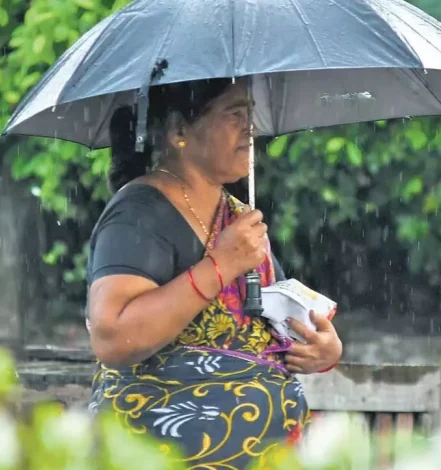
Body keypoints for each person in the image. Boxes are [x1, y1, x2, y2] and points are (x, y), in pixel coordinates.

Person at [85, 78, 343, 468]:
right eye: (234, 114)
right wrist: (220, 266)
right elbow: (114, 337)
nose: (250, 128)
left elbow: (269, 323)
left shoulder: (240, 219)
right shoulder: (139, 213)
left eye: (251, 113)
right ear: (179, 131)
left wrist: (322, 348)